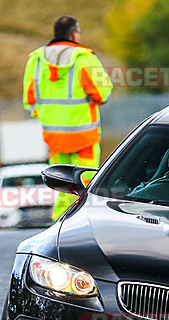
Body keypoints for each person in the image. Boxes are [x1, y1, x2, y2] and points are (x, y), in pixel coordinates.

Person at [23, 15, 113, 220]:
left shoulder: (36, 60)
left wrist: (50, 117)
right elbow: (103, 92)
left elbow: (30, 101)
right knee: (86, 181)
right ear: (74, 34)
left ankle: (59, 223)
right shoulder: (85, 58)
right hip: (84, 136)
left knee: (60, 183)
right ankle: (83, 222)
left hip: (54, 136)